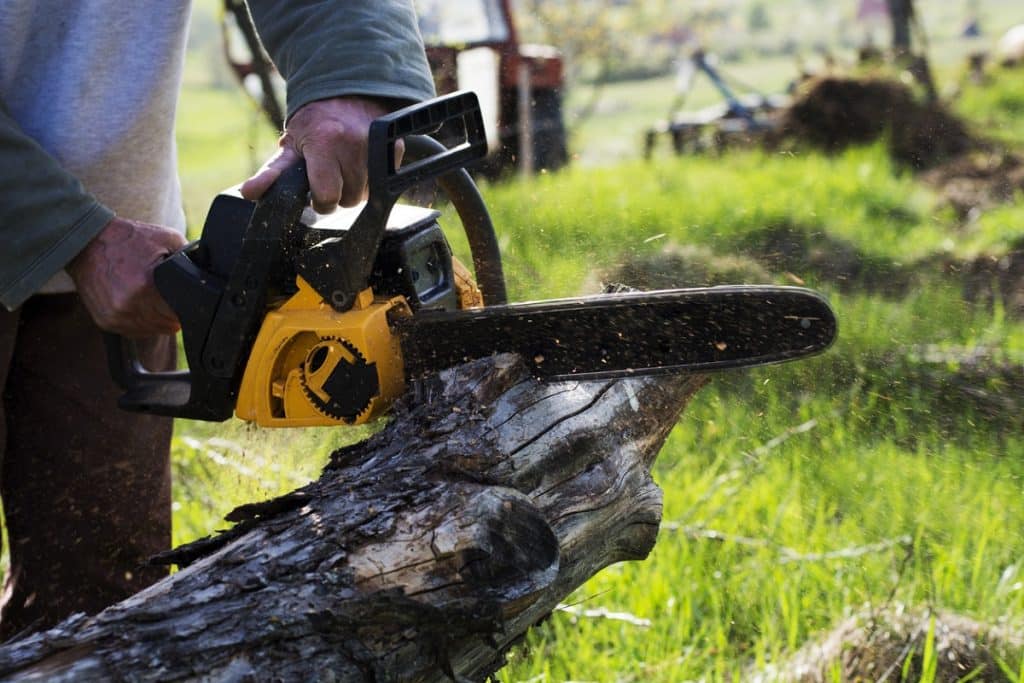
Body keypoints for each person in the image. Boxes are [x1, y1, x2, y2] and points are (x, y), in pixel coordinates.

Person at [0, 0, 435, 638]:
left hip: (126, 256)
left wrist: (353, 72)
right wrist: (72, 237)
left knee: (101, 596)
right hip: (90, 240)